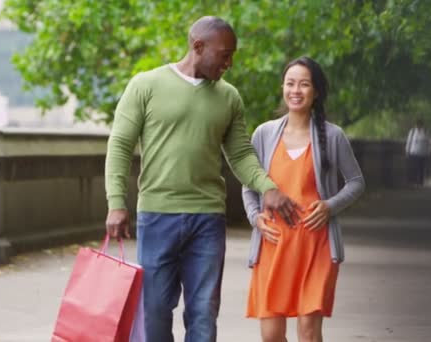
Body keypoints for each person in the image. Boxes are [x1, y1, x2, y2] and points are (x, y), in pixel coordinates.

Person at [105, 16, 298, 342]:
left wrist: (267, 188)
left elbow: (239, 155)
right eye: (224, 55)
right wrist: (116, 203)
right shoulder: (146, 85)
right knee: (154, 311)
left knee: (204, 312)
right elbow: (120, 145)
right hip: (157, 216)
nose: (229, 63)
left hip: (207, 217)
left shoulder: (229, 97)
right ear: (198, 47)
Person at [242, 56, 365, 342]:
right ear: (283, 88)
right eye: (290, 83)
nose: (296, 91)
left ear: (316, 91)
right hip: (273, 246)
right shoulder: (264, 133)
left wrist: (330, 205)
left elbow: (357, 182)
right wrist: (254, 217)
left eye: (304, 84)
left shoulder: (333, 136)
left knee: (309, 333)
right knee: (271, 336)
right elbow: (249, 184)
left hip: (316, 245)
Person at [405, 119, 429, 186]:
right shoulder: (412, 132)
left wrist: (428, 152)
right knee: (414, 167)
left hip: (422, 153)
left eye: (420, 125)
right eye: (418, 125)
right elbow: (409, 141)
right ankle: (414, 181)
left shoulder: (425, 131)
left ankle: (421, 181)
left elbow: (427, 143)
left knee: (421, 168)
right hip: (413, 152)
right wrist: (407, 151)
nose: (419, 126)